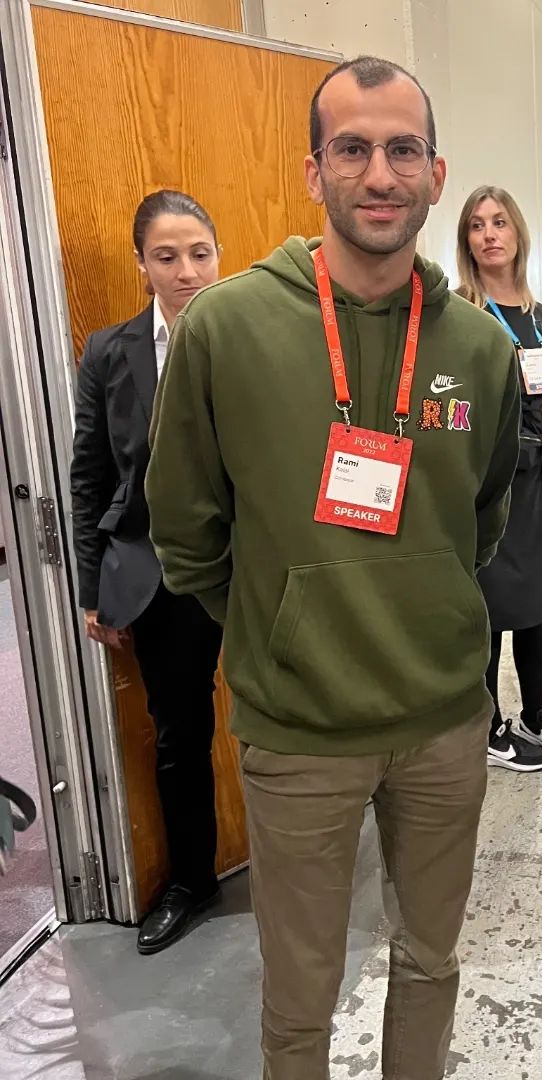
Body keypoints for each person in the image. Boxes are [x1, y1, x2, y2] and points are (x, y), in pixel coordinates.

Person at [145, 57, 521, 1080]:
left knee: (431, 960)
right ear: (314, 172)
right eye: (352, 148)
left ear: (437, 172)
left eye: (403, 148)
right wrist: (278, 621)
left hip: (444, 721)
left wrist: (419, 600)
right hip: (298, 734)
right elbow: (182, 525)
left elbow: (481, 515)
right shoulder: (225, 327)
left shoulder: (478, 349)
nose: (380, 172)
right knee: (299, 999)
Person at [70, 190, 224, 955]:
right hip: (157, 579)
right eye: (167, 256)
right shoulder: (108, 352)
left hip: (248, 572)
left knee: (289, 726)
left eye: (199, 252)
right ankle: (194, 879)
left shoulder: (251, 338)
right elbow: (90, 478)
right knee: (178, 735)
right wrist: (91, 589)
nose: (186, 270)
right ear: (143, 264)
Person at [456, 186, 542, 772]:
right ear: (467, 241)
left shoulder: (538, 315)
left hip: (534, 482)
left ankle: (534, 713)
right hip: (487, 483)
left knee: (536, 603)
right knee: (491, 608)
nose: (490, 234)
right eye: (477, 226)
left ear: (518, 232)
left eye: (500, 222)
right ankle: (489, 724)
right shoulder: (462, 313)